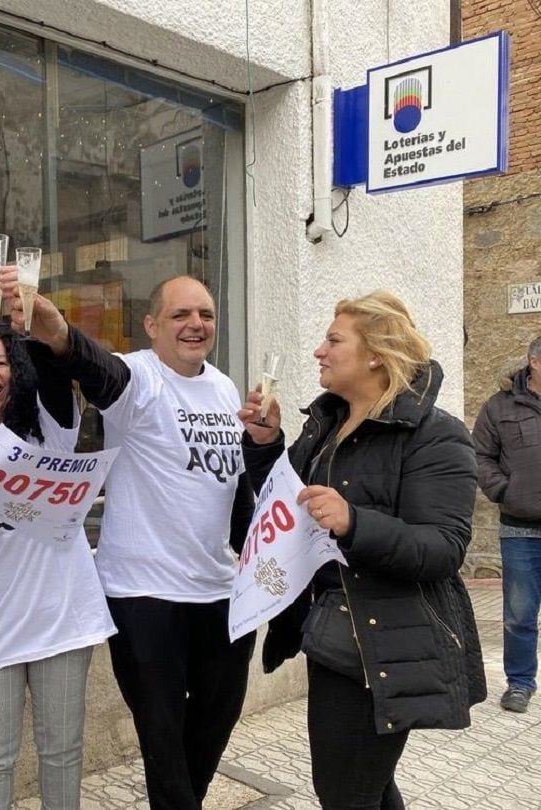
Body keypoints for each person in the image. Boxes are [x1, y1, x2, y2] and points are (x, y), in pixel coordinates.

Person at [4, 273, 255, 809]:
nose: (196, 325)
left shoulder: (225, 388)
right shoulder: (139, 378)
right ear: (151, 326)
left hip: (219, 593)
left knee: (211, 731)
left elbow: (233, 488)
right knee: (163, 745)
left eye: (206, 315)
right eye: (181, 315)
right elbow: (97, 369)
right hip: (144, 597)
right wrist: (61, 333)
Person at [238, 291, 485, 809]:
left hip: (387, 642)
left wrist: (354, 522)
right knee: (363, 787)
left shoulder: (436, 435)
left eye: (333, 340)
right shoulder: (326, 426)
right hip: (334, 635)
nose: (318, 352)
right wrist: (264, 444)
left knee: (346, 793)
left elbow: (443, 548)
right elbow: (280, 508)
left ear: (375, 353)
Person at [0, 320, 116, 810]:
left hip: (61, 617)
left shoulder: (49, 429)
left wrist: (25, 312)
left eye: (0, 361)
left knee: (61, 751)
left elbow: (52, 363)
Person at [473, 336, 541, 713]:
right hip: (521, 529)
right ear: (534, 362)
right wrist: (506, 491)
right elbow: (480, 454)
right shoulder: (499, 407)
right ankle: (520, 683)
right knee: (519, 613)